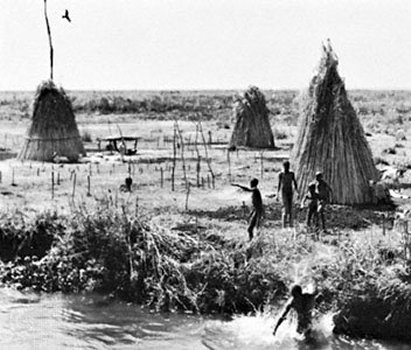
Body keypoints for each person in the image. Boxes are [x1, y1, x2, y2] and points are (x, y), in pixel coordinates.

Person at [277, 161, 299, 228]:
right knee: (285, 209)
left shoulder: (291, 174)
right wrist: (277, 194)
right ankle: (283, 226)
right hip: (284, 192)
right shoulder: (281, 174)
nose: (286, 168)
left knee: (290, 209)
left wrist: (297, 191)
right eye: (285, 166)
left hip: (290, 191)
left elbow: (294, 182)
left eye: (288, 166)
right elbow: (279, 184)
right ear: (283, 166)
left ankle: (291, 225)